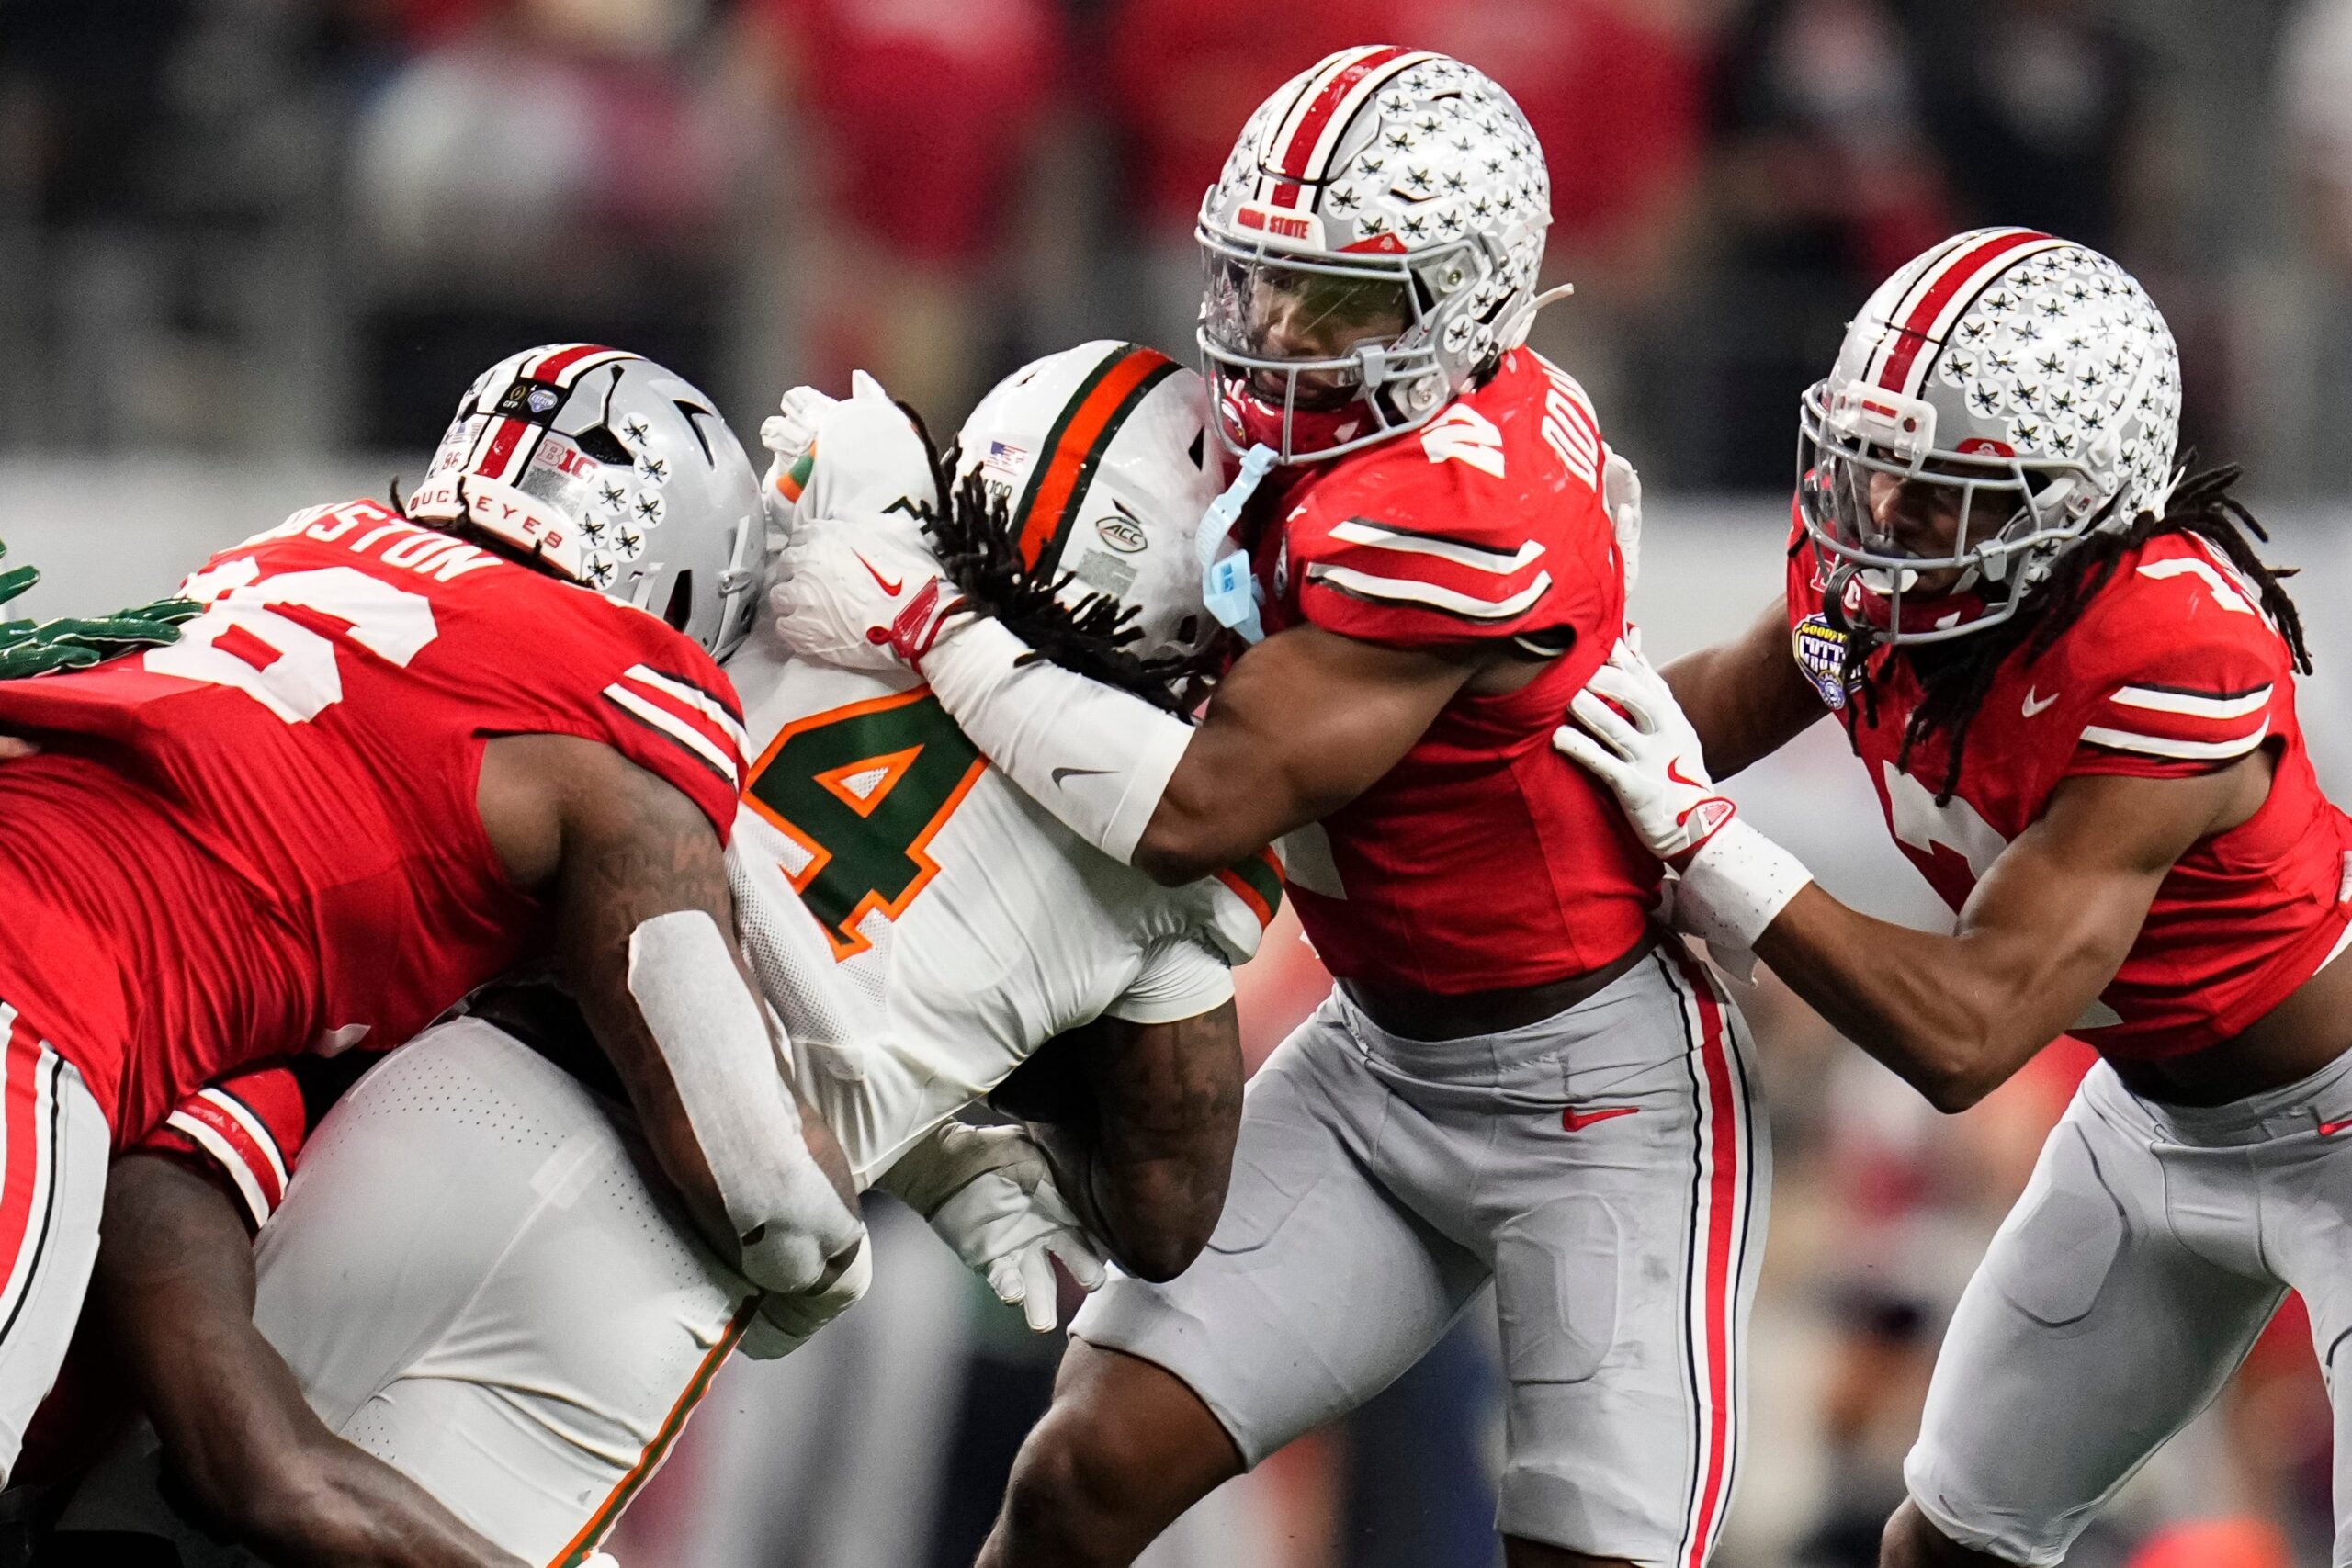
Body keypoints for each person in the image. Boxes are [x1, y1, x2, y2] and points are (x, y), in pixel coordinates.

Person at [770, 47, 1765, 1568]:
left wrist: (928, 620)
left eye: (1346, 303)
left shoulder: (1444, 506)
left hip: (1596, 1097)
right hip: (1382, 1057)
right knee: (1080, 1477)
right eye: (1260, 280)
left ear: (1472, 306)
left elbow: (1195, 806)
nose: (1281, 335)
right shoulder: (1334, 443)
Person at [49, 342, 1264, 1565]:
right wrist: (954, 1114)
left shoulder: (824, 563)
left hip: (429, 1095)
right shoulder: (1166, 843)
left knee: (153, 1509)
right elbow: (1162, 1214)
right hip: (664, 1239)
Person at [1550, 227, 2352, 1567]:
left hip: (2336, 1127)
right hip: (2148, 1122)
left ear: (2076, 505)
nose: (1882, 518)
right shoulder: (1869, 599)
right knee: (1946, 1545)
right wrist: (1505, 706)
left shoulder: (2168, 650)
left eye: (1939, 490)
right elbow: (1691, 724)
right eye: (1873, 464)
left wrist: (1706, 841)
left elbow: (1966, 1032)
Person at [0, 342, 867, 1506]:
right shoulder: (612, 721)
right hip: (33, 997)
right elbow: (761, 1185)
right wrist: (837, 1256)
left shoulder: (280, 559)